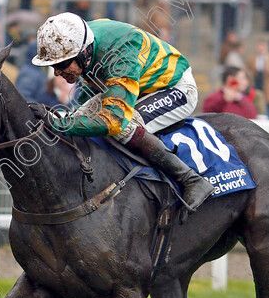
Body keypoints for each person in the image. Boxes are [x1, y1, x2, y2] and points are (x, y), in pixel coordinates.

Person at [31, 12, 214, 212]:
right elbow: (89, 91)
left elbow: (114, 121)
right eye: (52, 66)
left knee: (123, 127)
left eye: (61, 65)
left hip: (174, 88)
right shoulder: (83, 40)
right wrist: (68, 120)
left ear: (83, 53)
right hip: (138, 87)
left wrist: (59, 124)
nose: (56, 72)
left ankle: (191, 180)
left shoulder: (119, 53)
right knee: (76, 118)